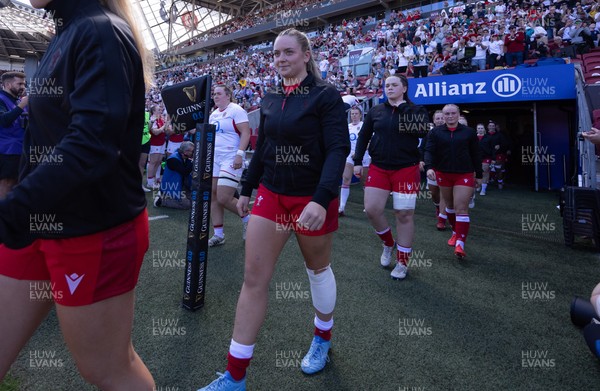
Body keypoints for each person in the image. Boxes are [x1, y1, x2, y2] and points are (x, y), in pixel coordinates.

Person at [0, 0, 155, 389]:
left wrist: (13, 209)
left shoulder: (100, 30)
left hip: (93, 229)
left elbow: (90, 146)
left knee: (109, 371)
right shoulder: (65, 32)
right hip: (38, 220)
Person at [198, 28, 349, 391]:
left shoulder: (326, 96)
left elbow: (337, 150)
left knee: (317, 270)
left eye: (288, 53)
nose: (281, 59)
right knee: (254, 279)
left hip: (313, 197)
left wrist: (321, 197)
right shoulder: (270, 96)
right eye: (276, 53)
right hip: (272, 194)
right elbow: (264, 147)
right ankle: (235, 376)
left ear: (306, 55)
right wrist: (248, 187)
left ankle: (322, 338)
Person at [353, 75, 429, 280]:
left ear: (404, 88)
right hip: (379, 167)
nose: (389, 88)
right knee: (372, 209)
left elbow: (421, 131)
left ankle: (402, 262)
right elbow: (364, 136)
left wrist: (403, 107)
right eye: (387, 85)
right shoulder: (377, 111)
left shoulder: (417, 110)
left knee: (403, 214)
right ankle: (388, 243)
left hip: (405, 168)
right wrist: (358, 160)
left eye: (394, 85)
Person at [425, 104, 482, 259]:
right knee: (449, 207)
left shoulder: (469, 133)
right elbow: (429, 150)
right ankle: (455, 232)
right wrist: (429, 167)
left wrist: (479, 175)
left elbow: (476, 154)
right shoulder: (435, 132)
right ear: (443, 116)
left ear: (458, 114)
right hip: (443, 173)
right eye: (447, 114)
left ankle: (460, 244)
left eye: (453, 113)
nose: (450, 116)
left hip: (464, 173)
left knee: (461, 208)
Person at [207, 84, 251, 247]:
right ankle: (218, 234)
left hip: (230, 156)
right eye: (214, 94)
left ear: (228, 95)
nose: (215, 96)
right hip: (215, 158)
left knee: (224, 196)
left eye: (219, 93)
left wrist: (240, 154)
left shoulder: (236, 110)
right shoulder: (212, 114)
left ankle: (249, 219)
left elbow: (246, 132)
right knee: (214, 195)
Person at [0, 72, 28, 200]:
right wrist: (22, 104)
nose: (23, 86)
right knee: (7, 183)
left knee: (17, 184)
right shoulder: (1, 99)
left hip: (20, 150)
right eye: (19, 84)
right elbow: (4, 121)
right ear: (8, 84)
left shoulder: (18, 100)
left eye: (24, 83)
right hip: (7, 151)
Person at [339, 106, 369, 216]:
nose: (354, 116)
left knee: (365, 182)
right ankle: (341, 207)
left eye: (356, 114)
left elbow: (369, 142)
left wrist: (359, 153)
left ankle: (368, 206)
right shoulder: (347, 127)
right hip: (349, 158)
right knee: (345, 179)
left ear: (361, 115)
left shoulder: (365, 126)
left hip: (363, 157)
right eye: (352, 114)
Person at [154, 141, 194, 209]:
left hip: (180, 186)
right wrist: (192, 162)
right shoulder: (173, 159)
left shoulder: (184, 157)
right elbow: (184, 172)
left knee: (194, 202)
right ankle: (161, 200)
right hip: (171, 187)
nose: (193, 153)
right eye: (192, 151)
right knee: (187, 204)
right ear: (186, 151)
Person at [426, 110, 448, 230]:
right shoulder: (429, 133)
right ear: (434, 121)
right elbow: (424, 149)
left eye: (441, 118)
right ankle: (438, 207)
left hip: (447, 168)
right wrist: (423, 162)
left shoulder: (451, 132)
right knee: (434, 194)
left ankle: (442, 220)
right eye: (437, 118)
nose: (440, 120)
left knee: (444, 194)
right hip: (433, 168)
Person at [147, 104, 167, 190]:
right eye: (158, 109)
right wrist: (165, 126)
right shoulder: (152, 119)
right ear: (154, 111)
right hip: (155, 143)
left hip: (162, 143)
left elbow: (163, 130)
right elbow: (155, 132)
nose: (160, 110)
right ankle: (150, 182)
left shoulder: (160, 118)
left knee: (158, 161)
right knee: (153, 162)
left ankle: (154, 180)